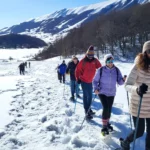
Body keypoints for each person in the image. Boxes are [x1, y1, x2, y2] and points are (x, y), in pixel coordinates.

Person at [120, 41, 150, 150]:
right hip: (139, 105)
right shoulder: (138, 66)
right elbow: (126, 85)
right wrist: (137, 89)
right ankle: (125, 142)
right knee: (139, 131)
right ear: (145, 52)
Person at [93, 54, 126, 136]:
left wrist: (123, 79)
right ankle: (104, 127)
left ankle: (107, 123)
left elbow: (119, 82)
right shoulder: (101, 70)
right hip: (102, 92)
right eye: (109, 61)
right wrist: (96, 88)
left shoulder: (117, 70)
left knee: (109, 109)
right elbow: (94, 81)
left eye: (112, 61)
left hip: (111, 93)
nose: (110, 63)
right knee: (106, 107)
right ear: (105, 62)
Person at [75, 45, 101, 119]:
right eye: (89, 55)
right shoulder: (83, 61)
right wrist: (78, 78)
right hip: (84, 81)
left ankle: (88, 109)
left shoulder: (95, 60)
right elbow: (77, 70)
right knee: (87, 96)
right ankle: (86, 111)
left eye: (92, 55)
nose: (90, 56)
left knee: (89, 96)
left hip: (91, 81)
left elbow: (100, 68)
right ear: (87, 54)